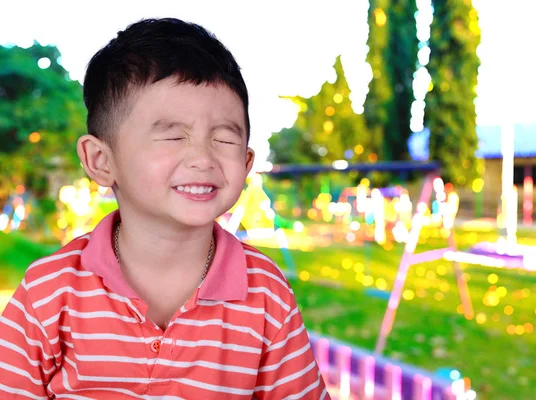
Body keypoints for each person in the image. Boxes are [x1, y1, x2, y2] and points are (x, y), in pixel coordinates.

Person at [0, 17, 330, 399]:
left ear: (246, 162)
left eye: (224, 139)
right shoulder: (48, 292)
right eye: (174, 135)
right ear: (101, 160)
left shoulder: (267, 296)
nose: (202, 158)